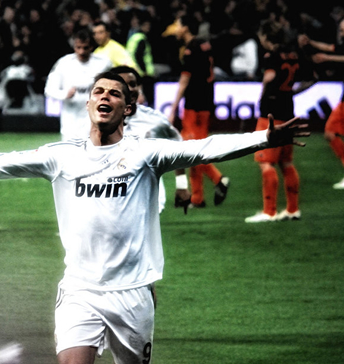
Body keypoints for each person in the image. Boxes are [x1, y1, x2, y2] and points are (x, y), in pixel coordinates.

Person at [0, 71, 308, 364]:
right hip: (80, 291)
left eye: (115, 93)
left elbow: (205, 148)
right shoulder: (62, 155)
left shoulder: (147, 153)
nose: (105, 97)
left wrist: (265, 137)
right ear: (89, 103)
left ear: (128, 109)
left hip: (132, 294)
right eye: (98, 91)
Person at [245, 19, 316, 223]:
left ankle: (269, 212)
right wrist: (292, 92)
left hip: (271, 114)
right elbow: (313, 78)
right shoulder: (294, 55)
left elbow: (269, 77)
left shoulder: (271, 56)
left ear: (266, 37)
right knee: (286, 161)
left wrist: (263, 95)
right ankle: (293, 209)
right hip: (288, 111)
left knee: (266, 162)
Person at [110, 65, 191, 214]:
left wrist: (181, 184)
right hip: (109, 195)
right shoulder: (97, 121)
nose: (130, 89)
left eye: (133, 84)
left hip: (149, 196)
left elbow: (177, 146)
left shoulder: (154, 120)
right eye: (124, 84)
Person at [168, 14, 230, 208]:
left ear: (186, 28)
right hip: (206, 103)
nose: (175, 28)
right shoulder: (205, 44)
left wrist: (173, 108)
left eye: (178, 25)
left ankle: (219, 179)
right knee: (196, 150)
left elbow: (184, 81)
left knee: (192, 151)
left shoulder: (190, 49)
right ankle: (197, 198)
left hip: (193, 106)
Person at [298, 15, 344, 189]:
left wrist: (327, 58)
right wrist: (311, 43)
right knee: (330, 132)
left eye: (343, 29)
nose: (341, 33)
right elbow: (331, 47)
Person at [44, 28, 113, 140]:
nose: (82, 52)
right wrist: (64, 94)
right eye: (78, 47)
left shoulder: (104, 63)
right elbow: (49, 90)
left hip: (96, 118)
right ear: (74, 46)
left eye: (85, 48)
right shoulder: (64, 64)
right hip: (71, 121)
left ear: (91, 47)